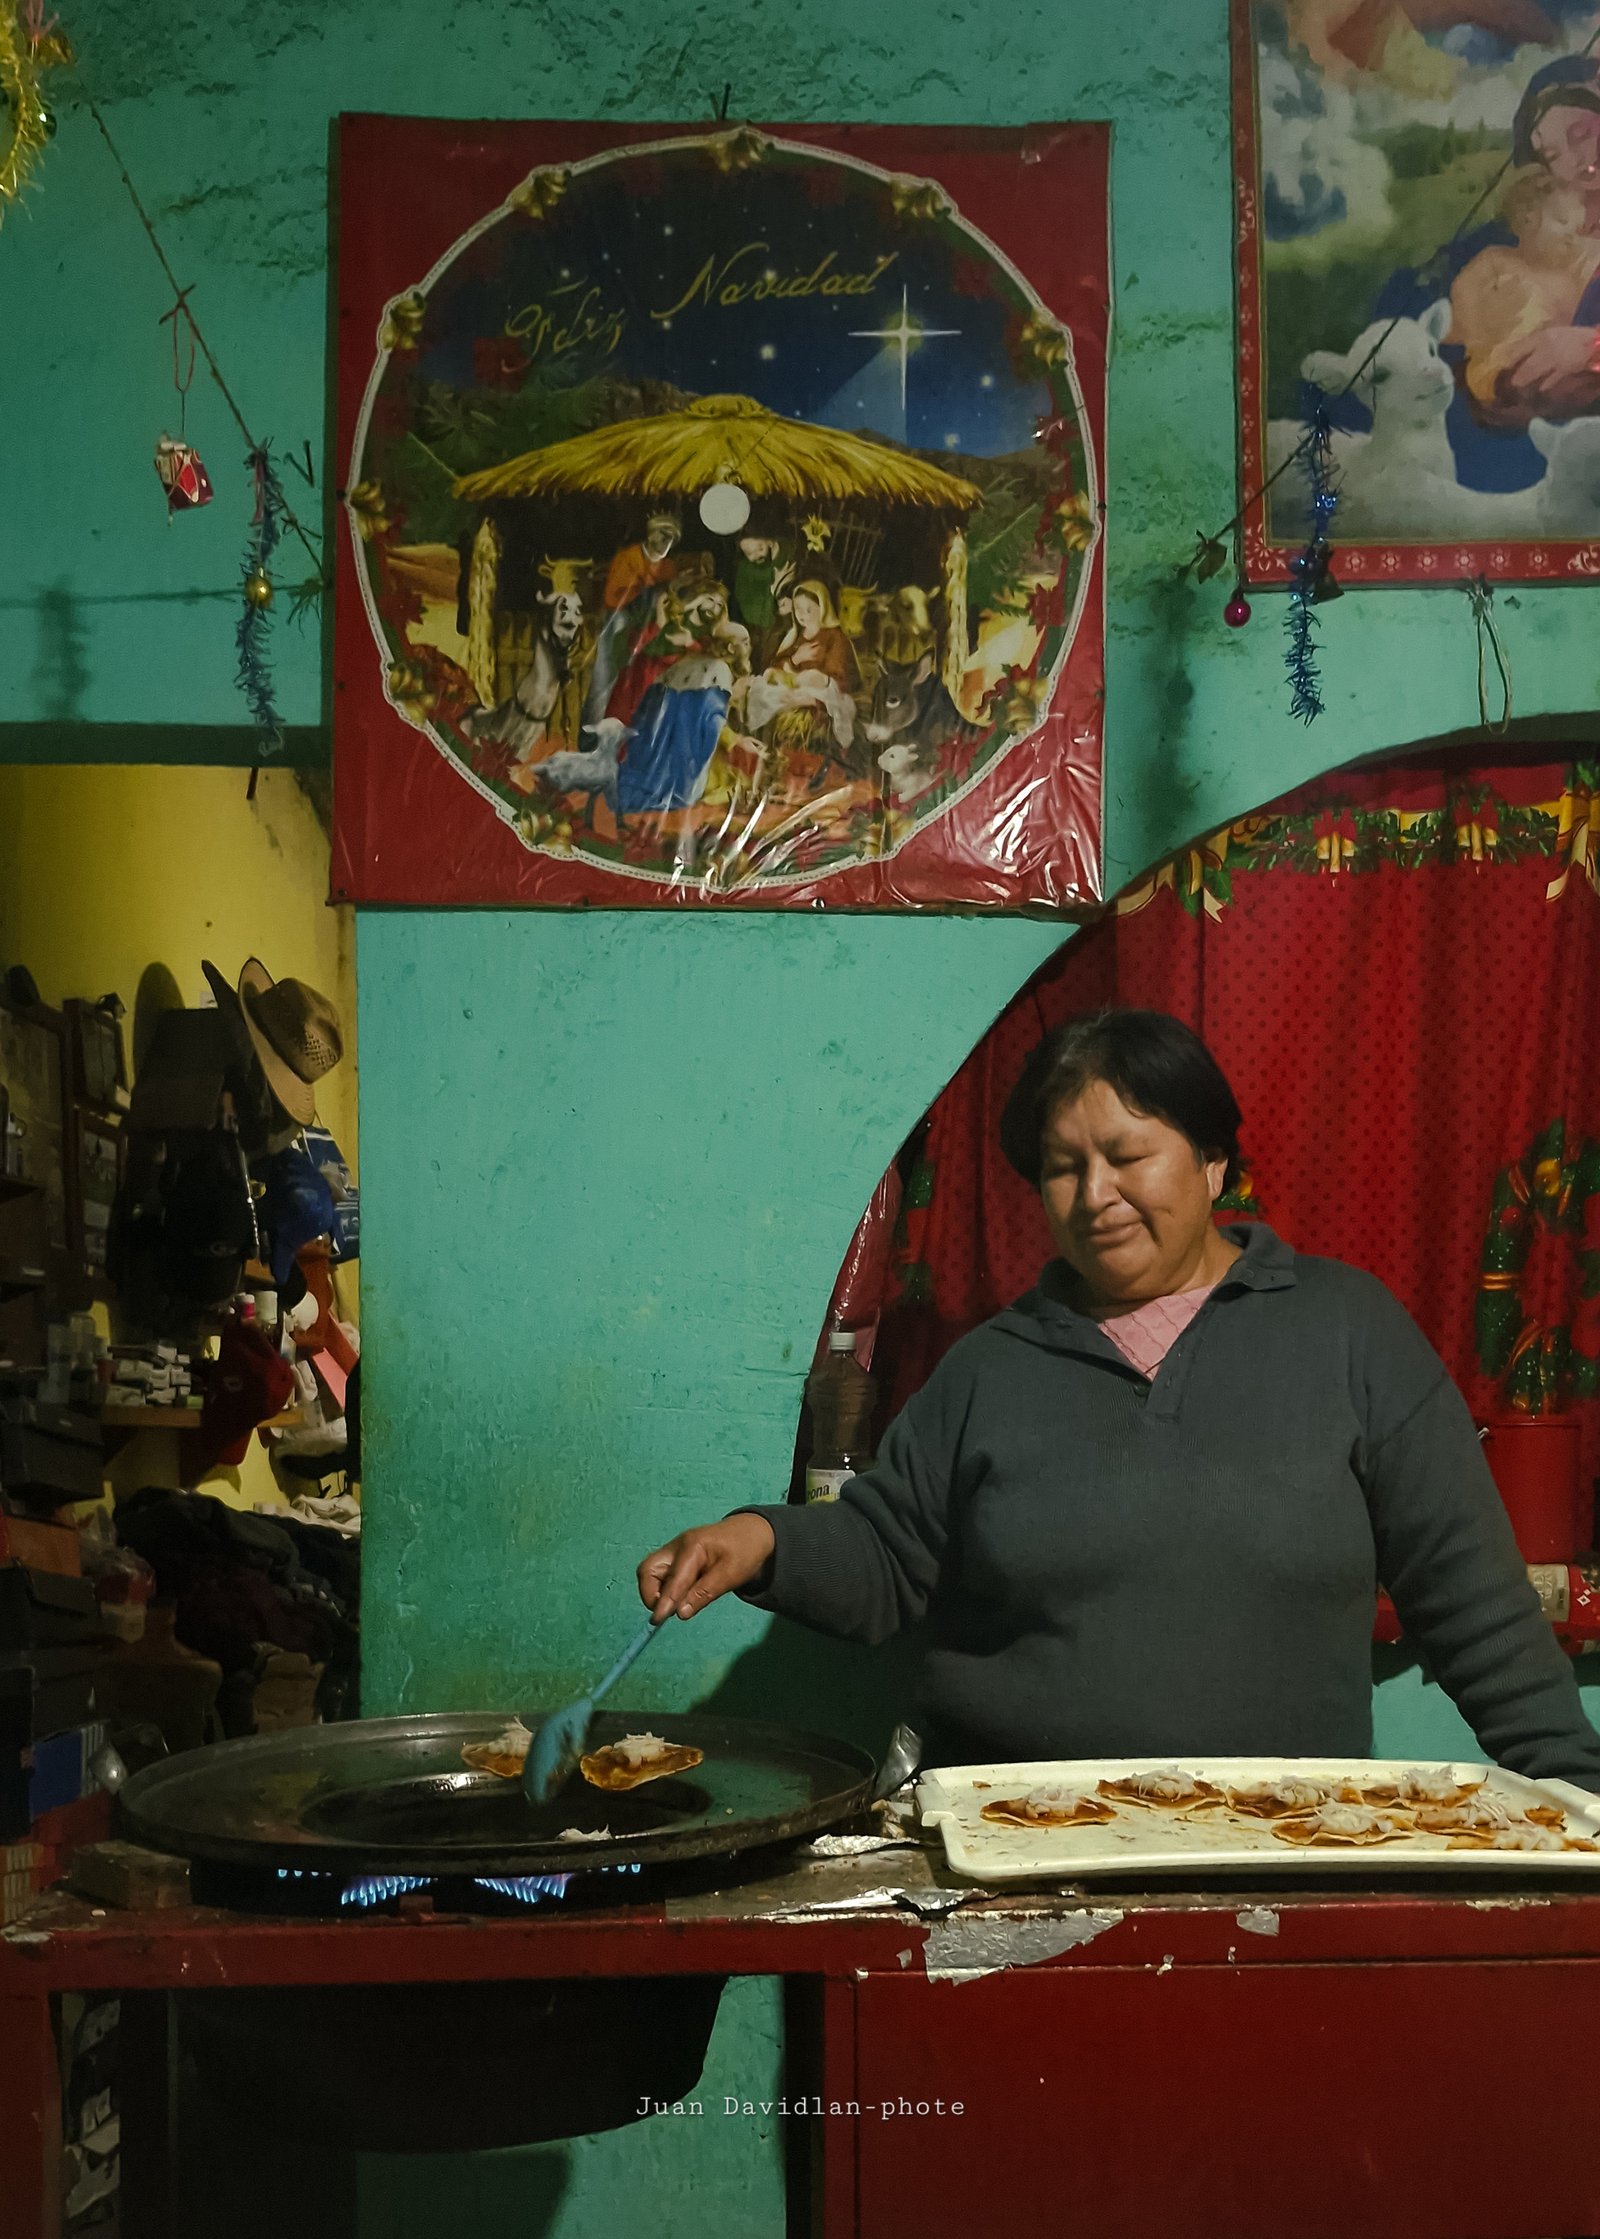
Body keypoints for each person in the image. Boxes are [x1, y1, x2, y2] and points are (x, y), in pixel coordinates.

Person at [638, 1009, 1600, 1786]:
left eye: (1127, 1154)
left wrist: (1573, 1786)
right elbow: (886, 1557)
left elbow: (1472, 1597)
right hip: (1012, 1850)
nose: (1095, 1192)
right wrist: (760, 1540)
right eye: (1062, 1167)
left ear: (1213, 1161)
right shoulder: (990, 1367)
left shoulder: (1346, 1333)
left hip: (1281, 1854)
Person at [1452, 58, 1600, 426]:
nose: (1580, 160)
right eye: (1552, 155)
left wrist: (1589, 349)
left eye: (1582, 132)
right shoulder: (1512, 248)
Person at [736, 579, 860, 770]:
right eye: (798, 609)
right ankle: (760, 753)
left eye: (809, 609)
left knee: (808, 694)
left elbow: (839, 676)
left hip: (826, 692)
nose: (803, 615)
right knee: (760, 691)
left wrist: (815, 681)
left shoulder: (834, 637)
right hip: (793, 685)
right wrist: (795, 659)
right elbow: (777, 665)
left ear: (823, 608)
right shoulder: (794, 634)